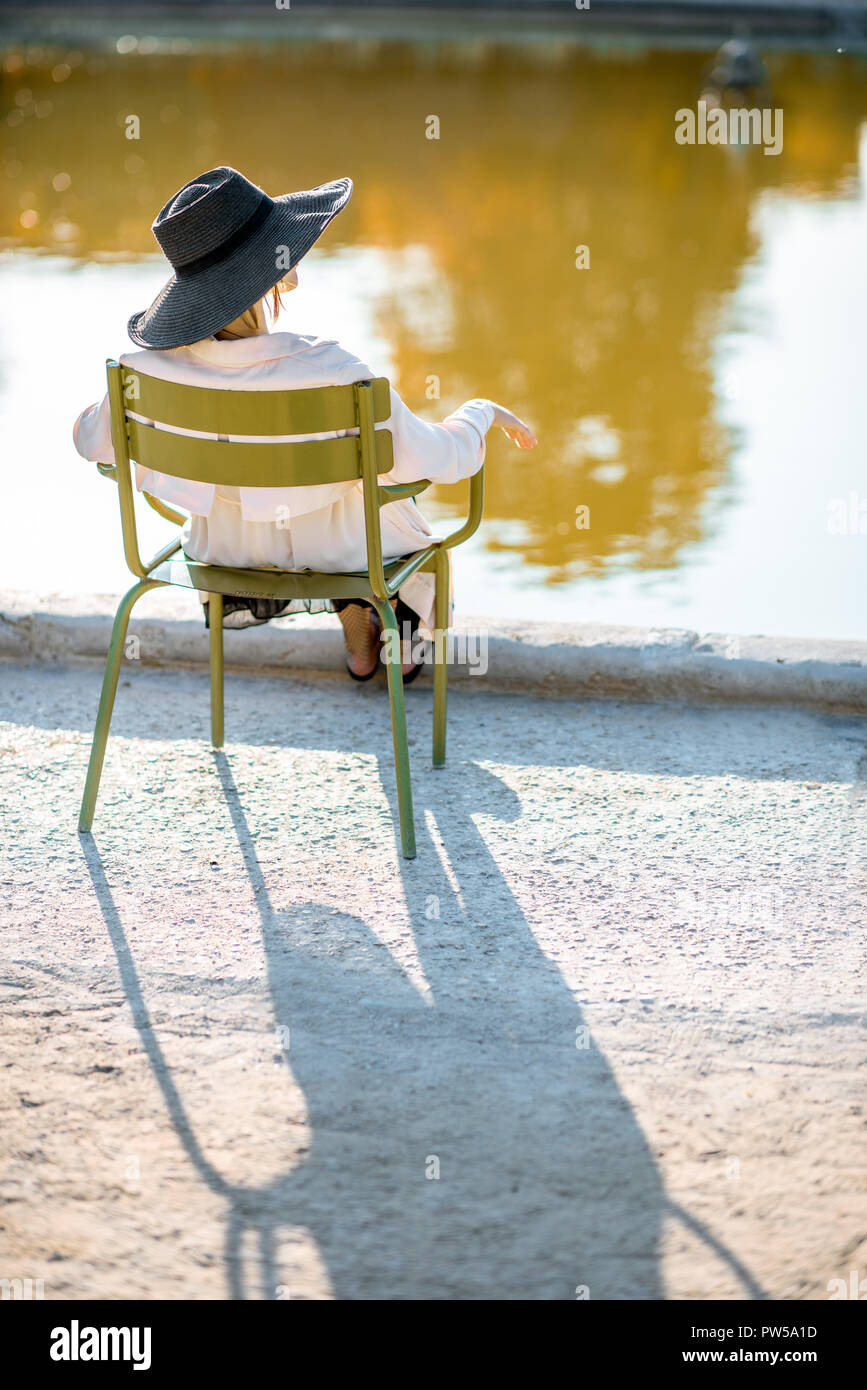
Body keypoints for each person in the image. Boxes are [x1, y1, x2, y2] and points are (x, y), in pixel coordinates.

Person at [73, 167, 537, 681]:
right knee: (383, 500)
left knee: (308, 492)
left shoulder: (140, 373)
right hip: (346, 553)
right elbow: (438, 461)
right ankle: (394, 624)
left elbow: (88, 443)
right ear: (275, 273)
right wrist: (481, 412)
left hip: (229, 555)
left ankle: (361, 631)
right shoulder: (335, 372)